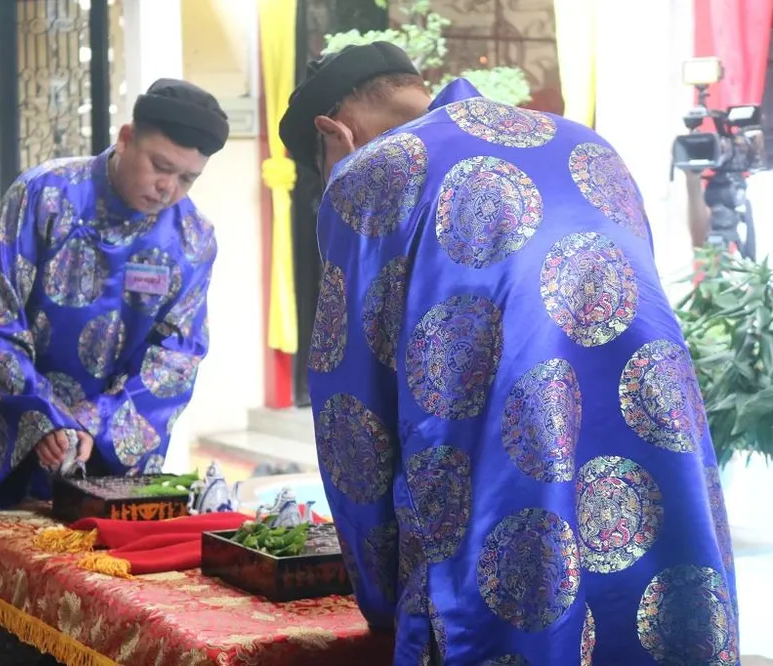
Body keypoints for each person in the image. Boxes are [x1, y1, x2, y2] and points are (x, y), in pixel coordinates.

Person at [280, 43, 738, 665]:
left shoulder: (370, 174)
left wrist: (385, 597)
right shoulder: (588, 147)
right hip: (661, 478)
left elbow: (352, 421)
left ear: (334, 133)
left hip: (499, 496)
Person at [0, 78, 226, 665]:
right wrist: (44, 418)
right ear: (126, 137)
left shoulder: (194, 238)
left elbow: (177, 357)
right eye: (161, 166)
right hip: (18, 442)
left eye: (188, 178)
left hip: (116, 465)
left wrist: (92, 424)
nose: (169, 188)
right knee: (6, 618)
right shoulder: (43, 194)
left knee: (105, 622)